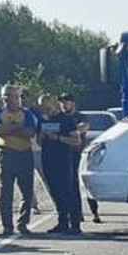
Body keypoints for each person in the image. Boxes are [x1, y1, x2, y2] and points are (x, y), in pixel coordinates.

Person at [0, 85, 39, 235]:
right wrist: (18, 128)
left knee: (27, 191)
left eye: (12, 96)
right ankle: (7, 225)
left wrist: (9, 128)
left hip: (24, 154)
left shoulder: (27, 113)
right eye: (5, 96)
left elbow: (30, 132)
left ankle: (23, 223)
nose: (8, 99)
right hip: (5, 154)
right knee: (5, 192)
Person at [41, 91, 87, 234]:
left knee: (69, 191)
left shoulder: (66, 120)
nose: (45, 109)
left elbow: (76, 140)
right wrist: (43, 136)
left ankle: (75, 224)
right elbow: (38, 141)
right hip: (48, 160)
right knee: (55, 191)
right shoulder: (43, 121)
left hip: (65, 160)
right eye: (42, 107)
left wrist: (59, 138)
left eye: (47, 106)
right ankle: (62, 222)